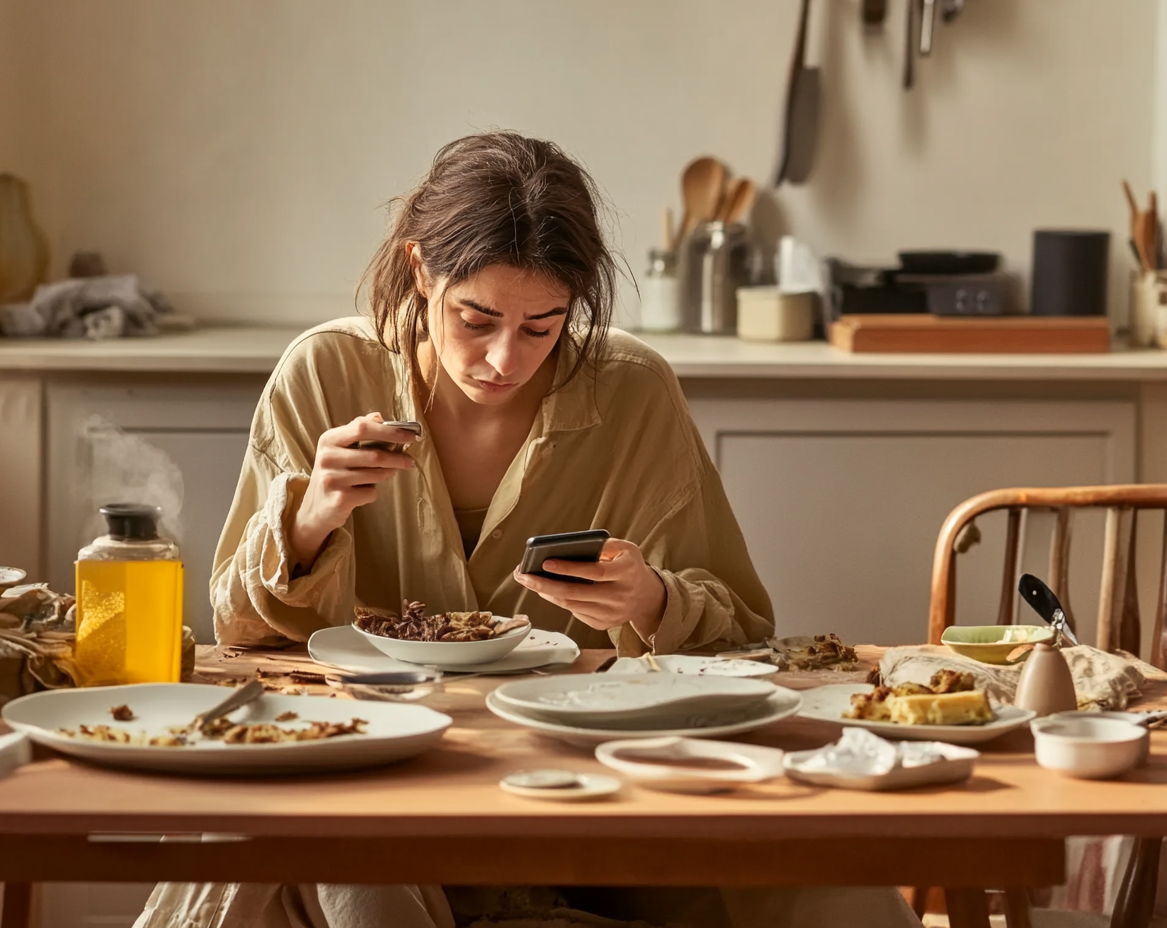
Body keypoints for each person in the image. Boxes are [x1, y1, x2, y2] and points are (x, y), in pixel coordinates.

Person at [135, 132, 917, 928]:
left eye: (542, 327)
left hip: (602, 791)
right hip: (380, 781)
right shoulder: (324, 376)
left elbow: (744, 633)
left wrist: (649, 601)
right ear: (419, 270)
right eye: (475, 319)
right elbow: (235, 633)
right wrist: (310, 519)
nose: (504, 359)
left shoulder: (632, 390)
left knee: (837, 882)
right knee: (327, 861)